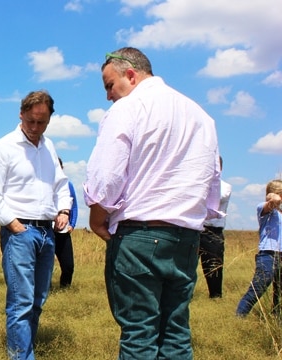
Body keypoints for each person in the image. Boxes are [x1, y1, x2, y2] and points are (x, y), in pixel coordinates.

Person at [83, 47, 221, 359]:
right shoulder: (201, 116)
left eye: (109, 85)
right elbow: (212, 183)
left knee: (139, 334)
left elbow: (107, 176)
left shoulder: (128, 109)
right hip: (186, 237)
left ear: (130, 75)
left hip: (140, 236)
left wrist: (97, 216)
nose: (108, 96)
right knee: (175, 333)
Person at [0, 90, 73, 360]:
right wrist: (12, 224)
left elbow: (60, 183)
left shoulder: (49, 147)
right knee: (21, 302)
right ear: (21, 114)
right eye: (31, 121)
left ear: (49, 120)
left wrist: (64, 210)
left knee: (37, 301)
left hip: (48, 233)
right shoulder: (4, 146)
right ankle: (21, 357)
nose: (35, 128)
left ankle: (25, 350)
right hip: (20, 232)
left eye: (42, 122)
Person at [236, 179, 282, 317]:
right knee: (258, 288)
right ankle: (240, 316)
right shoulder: (265, 208)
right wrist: (273, 196)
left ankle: (276, 318)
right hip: (268, 254)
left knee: (279, 293)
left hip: (280, 255)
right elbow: (275, 200)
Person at [199, 156, 232, 298]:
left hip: (213, 231)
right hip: (196, 228)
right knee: (186, 265)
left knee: (213, 266)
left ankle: (215, 296)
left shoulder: (225, 186)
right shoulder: (198, 183)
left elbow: (216, 197)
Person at [54, 158, 78, 288]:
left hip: (63, 231)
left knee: (68, 266)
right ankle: (43, 290)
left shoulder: (68, 185)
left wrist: (72, 224)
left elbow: (73, 205)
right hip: (46, 230)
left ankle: (65, 289)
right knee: (43, 265)